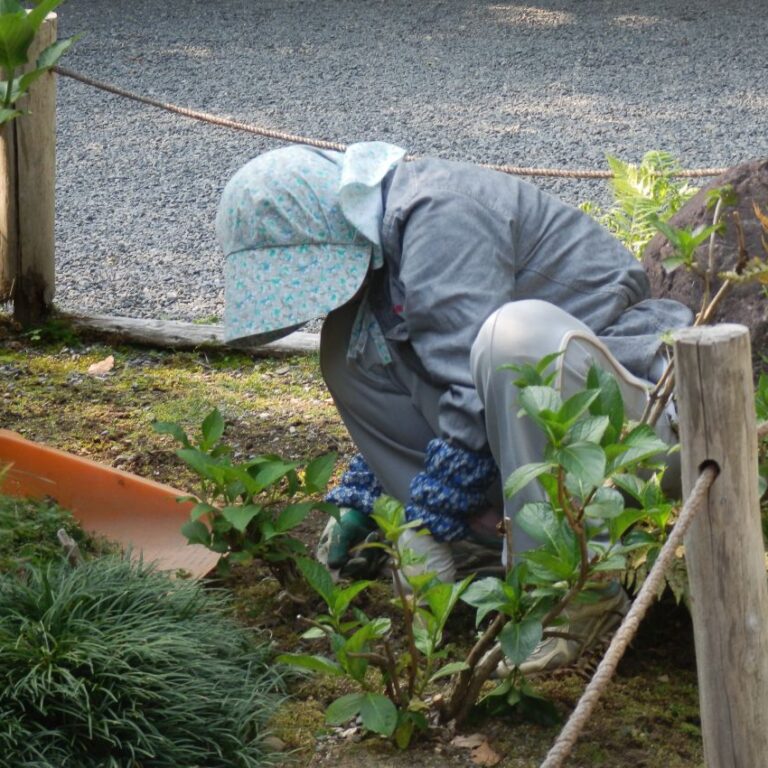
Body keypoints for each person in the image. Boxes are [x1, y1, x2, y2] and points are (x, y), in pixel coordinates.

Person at [215, 141, 692, 673]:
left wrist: (428, 517)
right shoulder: (388, 248)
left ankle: (568, 590)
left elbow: (467, 383)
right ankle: (483, 547)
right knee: (346, 345)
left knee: (515, 337)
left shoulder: (440, 213)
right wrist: (376, 494)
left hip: (640, 430)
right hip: (532, 452)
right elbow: (440, 376)